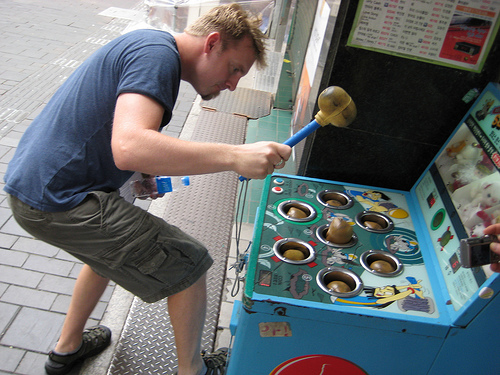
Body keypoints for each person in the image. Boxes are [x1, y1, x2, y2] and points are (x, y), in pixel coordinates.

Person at [4, 3, 291, 375]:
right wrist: (235, 155)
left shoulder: (150, 47)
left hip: (39, 184)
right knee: (190, 262)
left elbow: (123, 136)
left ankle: (66, 351)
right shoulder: (158, 58)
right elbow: (129, 145)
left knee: (106, 254)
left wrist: (144, 167)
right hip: (58, 199)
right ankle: (194, 371)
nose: (233, 84)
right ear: (213, 43)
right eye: (234, 69)